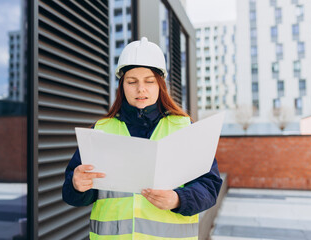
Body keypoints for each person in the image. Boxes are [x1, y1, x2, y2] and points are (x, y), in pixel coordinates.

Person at [62, 37, 222, 239]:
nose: (141, 89)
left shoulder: (184, 128)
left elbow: (210, 186)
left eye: (149, 81)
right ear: (122, 86)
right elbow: (72, 193)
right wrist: (77, 186)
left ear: (160, 85)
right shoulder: (101, 130)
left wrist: (178, 199)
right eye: (132, 82)